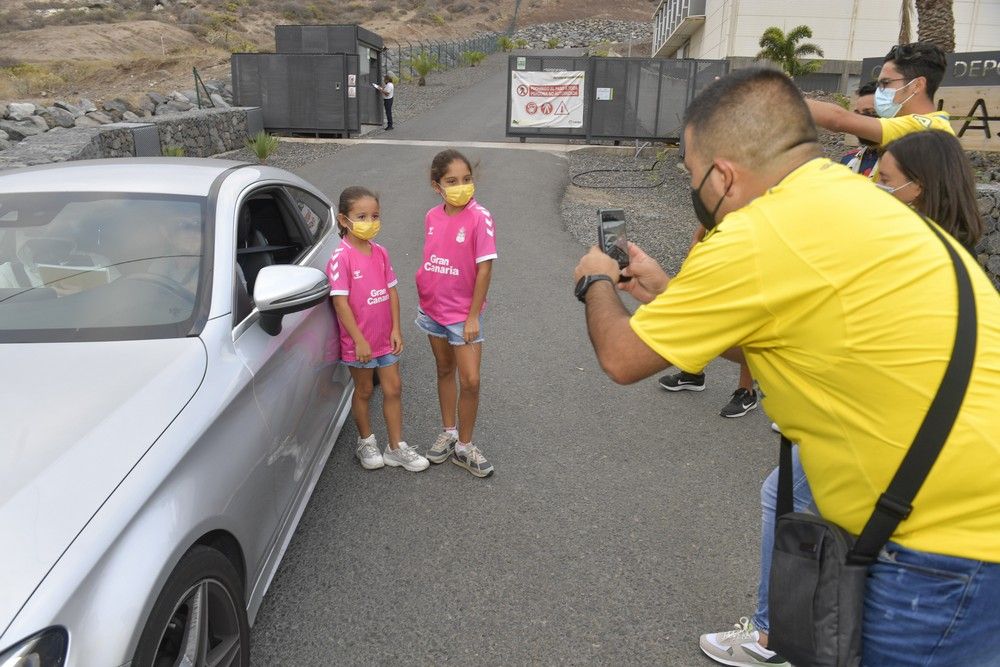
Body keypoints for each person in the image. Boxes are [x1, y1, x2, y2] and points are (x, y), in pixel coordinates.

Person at [573, 68, 1000, 666]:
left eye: (694, 175)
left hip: (937, 553)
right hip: (969, 530)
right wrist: (671, 292)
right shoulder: (860, 202)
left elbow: (621, 358)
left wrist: (595, 279)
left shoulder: (755, 234)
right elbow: (787, 344)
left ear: (723, 174)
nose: (695, 188)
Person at [698, 130, 989, 666]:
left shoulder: (893, 251)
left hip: (910, 459)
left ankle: (772, 633)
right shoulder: (953, 257)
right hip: (918, 449)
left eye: (885, 179)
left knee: (788, 500)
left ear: (919, 189)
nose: (871, 185)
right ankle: (794, 627)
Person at [327, 186, 428, 473]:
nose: (370, 222)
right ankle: (366, 442)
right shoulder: (341, 257)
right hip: (359, 344)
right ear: (344, 220)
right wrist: (358, 340)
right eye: (362, 216)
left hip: (385, 339)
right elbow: (341, 303)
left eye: (375, 216)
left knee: (394, 388)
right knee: (363, 391)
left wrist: (396, 328)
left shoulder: (380, 252)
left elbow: (392, 292)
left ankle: (396, 446)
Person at [416, 149, 497, 477]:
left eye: (466, 180)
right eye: (452, 181)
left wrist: (473, 315)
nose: (461, 186)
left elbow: (485, 268)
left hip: (463, 316)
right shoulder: (431, 217)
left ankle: (465, 446)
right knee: (443, 370)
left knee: (472, 380)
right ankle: (449, 433)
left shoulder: (480, 217)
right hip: (432, 310)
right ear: (437, 186)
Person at [806, 42, 954, 180]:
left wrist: (784, 99)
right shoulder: (917, 126)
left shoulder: (925, 129)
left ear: (917, 85)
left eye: (885, 83)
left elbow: (838, 120)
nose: (879, 92)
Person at [657, 225, 759, 418]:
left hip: (751, 251)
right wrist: (697, 239)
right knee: (701, 308)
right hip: (719, 247)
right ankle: (693, 373)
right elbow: (710, 206)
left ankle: (747, 392)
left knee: (746, 320)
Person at [879, 130, 985, 254]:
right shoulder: (943, 240)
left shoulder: (932, 251)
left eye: (885, 180)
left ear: (918, 185)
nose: (878, 186)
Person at [839, 80, 879, 177]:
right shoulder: (848, 160)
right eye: (857, 114)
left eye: (870, 113)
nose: (860, 121)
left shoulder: (907, 165)